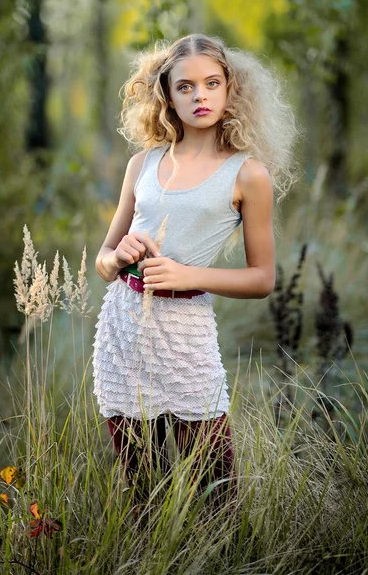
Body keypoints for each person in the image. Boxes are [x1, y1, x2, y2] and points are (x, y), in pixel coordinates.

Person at [93, 33, 300, 504]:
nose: (199, 96)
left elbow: (262, 279)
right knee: (142, 487)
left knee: (213, 483)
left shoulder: (247, 173)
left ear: (231, 89)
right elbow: (104, 262)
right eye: (185, 87)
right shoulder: (142, 164)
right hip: (123, 328)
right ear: (167, 95)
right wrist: (119, 255)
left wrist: (190, 276)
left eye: (211, 83)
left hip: (186, 331)